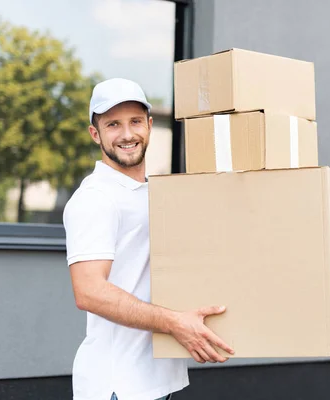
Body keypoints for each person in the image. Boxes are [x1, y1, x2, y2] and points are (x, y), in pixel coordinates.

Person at [63, 78, 234, 400]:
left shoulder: (155, 194)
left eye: (135, 122)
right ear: (95, 134)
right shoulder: (96, 198)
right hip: (118, 384)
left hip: (156, 379)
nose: (127, 134)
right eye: (113, 124)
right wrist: (175, 323)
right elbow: (89, 292)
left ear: (150, 126)